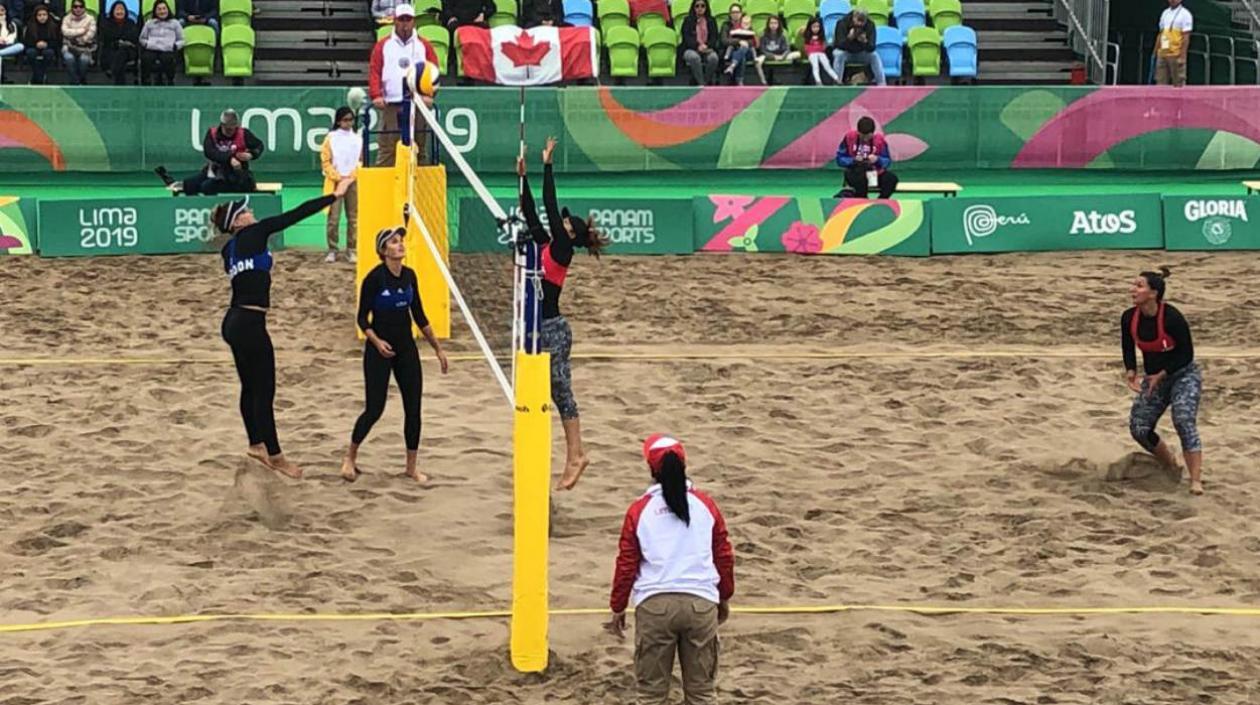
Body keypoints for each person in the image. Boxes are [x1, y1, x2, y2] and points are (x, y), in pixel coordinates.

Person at [213, 179, 355, 479]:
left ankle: (256, 445)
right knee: (264, 392)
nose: (252, 213)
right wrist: (335, 195)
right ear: (239, 221)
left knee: (250, 388)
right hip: (250, 322)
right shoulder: (253, 232)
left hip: (234, 321)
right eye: (246, 211)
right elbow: (295, 215)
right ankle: (276, 456)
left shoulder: (229, 249)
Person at [606, 434, 735, 705]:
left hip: (655, 606)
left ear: (651, 468)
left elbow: (626, 563)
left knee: (651, 695)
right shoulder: (705, 505)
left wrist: (618, 606)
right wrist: (724, 596)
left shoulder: (640, 509)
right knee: (702, 694)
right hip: (700, 604)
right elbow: (723, 555)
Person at [516, 136, 608, 490]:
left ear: (572, 235)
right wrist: (523, 177)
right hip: (538, 327)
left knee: (562, 394)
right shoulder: (547, 244)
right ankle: (570, 455)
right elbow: (530, 211)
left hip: (553, 328)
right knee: (551, 395)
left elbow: (551, 207)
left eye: (568, 225)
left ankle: (577, 454)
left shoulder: (563, 249)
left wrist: (548, 164)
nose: (563, 224)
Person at [340, 227, 450, 484]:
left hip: (406, 349)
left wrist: (438, 348)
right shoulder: (374, 279)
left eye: (400, 241)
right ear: (382, 250)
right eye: (393, 242)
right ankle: (350, 457)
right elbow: (361, 318)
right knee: (374, 409)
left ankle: (411, 467)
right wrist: (377, 342)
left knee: (414, 409)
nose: (400, 244)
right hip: (379, 350)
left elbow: (419, 316)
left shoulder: (410, 276)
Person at [1122, 267, 1204, 495]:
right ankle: (1170, 463)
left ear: (1153, 293)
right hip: (1154, 377)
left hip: (1183, 374)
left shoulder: (1172, 317)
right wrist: (1131, 372)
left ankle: (1196, 480)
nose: (1132, 290)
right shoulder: (1129, 317)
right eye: (1133, 284)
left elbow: (1186, 353)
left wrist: (1163, 374)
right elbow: (1127, 346)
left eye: (1138, 286)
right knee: (1139, 428)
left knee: (1183, 419)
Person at [368, 3, 439, 167]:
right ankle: (384, 190)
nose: (405, 23)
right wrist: (376, 95)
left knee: (420, 148)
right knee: (387, 149)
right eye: (401, 19)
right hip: (390, 103)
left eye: (408, 19)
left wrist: (430, 95)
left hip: (418, 104)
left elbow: (433, 72)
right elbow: (375, 71)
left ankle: (421, 189)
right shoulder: (383, 45)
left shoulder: (424, 45)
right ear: (395, 21)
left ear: (414, 21)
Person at [155, 109, 265, 196]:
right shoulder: (212, 133)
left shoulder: (244, 133)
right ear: (222, 125)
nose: (231, 132)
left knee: (207, 187)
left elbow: (259, 146)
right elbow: (210, 152)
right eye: (228, 129)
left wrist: (251, 154)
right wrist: (230, 158)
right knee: (189, 185)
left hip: (236, 176)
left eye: (233, 128)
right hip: (215, 171)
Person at [321, 107, 363, 263]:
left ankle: (352, 249)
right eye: (345, 120)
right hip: (335, 183)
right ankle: (332, 249)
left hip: (352, 182)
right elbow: (325, 161)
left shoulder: (358, 139)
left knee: (353, 218)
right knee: (334, 218)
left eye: (351, 120)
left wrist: (351, 177)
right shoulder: (330, 138)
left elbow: (361, 161)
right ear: (338, 121)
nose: (348, 123)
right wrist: (337, 177)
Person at [835, 115, 898, 199]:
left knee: (891, 179)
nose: (865, 139)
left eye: (867, 136)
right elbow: (840, 158)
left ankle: (880, 202)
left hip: (874, 173)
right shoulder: (849, 137)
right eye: (862, 136)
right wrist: (853, 160)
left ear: (873, 133)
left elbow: (887, 161)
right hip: (856, 173)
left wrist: (877, 159)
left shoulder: (880, 140)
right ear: (858, 132)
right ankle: (862, 201)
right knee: (858, 178)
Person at [831, 8, 884, 85]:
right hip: (846, 52)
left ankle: (882, 84)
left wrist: (865, 41)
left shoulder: (870, 25)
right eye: (858, 20)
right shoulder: (842, 23)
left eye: (862, 22)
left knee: (874, 56)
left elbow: (872, 47)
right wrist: (849, 38)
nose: (859, 24)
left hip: (861, 52)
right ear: (853, 17)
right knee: (838, 54)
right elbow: (839, 45)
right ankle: (837, 83)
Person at [139, 0, 182, 85]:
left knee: (168, 59)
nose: (162, 11)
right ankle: (146, 82)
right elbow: (142, 38)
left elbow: (182, 40)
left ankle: (170, 81)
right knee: (146, 58)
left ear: (168, 10)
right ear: (155, 11)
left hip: (168, 49)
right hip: (152, 48)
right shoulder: (149, 23)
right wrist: (147, 44)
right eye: (159, 9)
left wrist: (175, 46)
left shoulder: (175, 23)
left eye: (164, 9)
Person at [679, 0, 720, 86]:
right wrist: (698, 46)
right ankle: (701, 83)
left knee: (714, 58)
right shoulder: (687, 20)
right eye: (697, 6)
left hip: (707, 48)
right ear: (693, 8)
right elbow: (686, 38)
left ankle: (706, 80)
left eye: (702, 6)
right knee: (694, 58)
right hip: (691, 49)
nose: (700, 8)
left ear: (706, 7)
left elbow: (714, 37)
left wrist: (706, 46)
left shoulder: (711, 20)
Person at [99, 0, 140, 85]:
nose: (119, 12)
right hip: (112, 49)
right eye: (117, 9)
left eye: (122, 9)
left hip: (129, 50)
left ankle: (112, 71)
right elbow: (107, 36)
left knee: (123, 51)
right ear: (112, 11)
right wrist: (119, 40)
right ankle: (120, 83)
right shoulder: (107, 22)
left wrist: (121, 41)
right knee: (118, 56)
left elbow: (133, 36)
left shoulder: (130, 22)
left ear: (125, 11)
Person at [1154, 0, 1191, 87]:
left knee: (1178, 83)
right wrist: (1155, 51)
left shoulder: (1185, 14)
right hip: (1162, 54)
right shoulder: (1165, 13)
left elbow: (1186, 37)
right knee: (1160, 82)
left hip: (1176, 54)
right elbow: (1161, 33)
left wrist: (1182, 56)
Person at [59, 0, 95, 84]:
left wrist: (73, 36)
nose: (78, 9)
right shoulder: (66, 18)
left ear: (84, 8)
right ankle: (75, 81)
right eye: (75, 6)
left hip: (85, 48)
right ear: (72, 8)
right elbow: (65, 32)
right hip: (68, 47)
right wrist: (82, 30)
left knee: (84, 60)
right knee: (69, 58)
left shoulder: (90, 19)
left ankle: (81, 79)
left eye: (81, 6)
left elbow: (90, 35)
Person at [757, 15, 798, 85]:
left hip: (781, 56)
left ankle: (793, 80)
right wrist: (773, 56)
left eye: (775, 23)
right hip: (767, 56)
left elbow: (787, 49)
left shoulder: (782, 35)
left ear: (778, 24)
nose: (773, 25)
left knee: (797, 54)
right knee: (757, 62)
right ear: (768, 24)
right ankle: (763, 81)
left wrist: (783, 56)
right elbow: (762, 50)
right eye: (771, 23)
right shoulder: (763, 35)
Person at [23, 5, 58, 84]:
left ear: (48, 15)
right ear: (36, 16)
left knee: (49, 53)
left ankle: (37, 77)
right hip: (34, 47)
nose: (42, 17)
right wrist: (36, 44)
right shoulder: (30, 26)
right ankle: (40, 76)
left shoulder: (53, 26)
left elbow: (56, 41)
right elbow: (26, 41)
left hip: (48, 47)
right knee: (30, 53)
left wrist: (46, 44)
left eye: (44, 15)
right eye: (39, 15)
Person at [720, 7, 755, 85]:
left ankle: (733, 66)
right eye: (733, 12)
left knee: (744, 48)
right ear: (730, 14)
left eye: (737, 12)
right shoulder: (726, 25)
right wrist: (739, 42)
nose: (735, 14)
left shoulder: (746, 24)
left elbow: (752, 41)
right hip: (731, 50)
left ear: (741, 13)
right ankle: (739, 81)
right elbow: (724, 41)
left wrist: (746, 43)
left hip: (748, 51)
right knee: (742, 57)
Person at [799, 16, 838, 85]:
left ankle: (836, 78)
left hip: (821, 53)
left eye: (817, 27)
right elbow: (807, 48)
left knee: (827, 65)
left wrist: (821, 48)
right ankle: (818, 81)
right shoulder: (807, 37)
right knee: (815, 66)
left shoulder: (821, 37)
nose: (816, 29)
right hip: (812, 54)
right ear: (810, 27)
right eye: (814, 27)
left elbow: (823, 47)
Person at [0, 3, 25, 82]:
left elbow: (13, 37)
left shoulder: (12, 24)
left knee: (20, 46)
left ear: (6, 11)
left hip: (7, 47)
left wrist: (5, 40)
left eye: (2, 10)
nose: (0, 12)